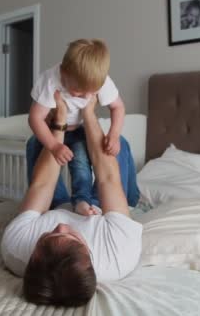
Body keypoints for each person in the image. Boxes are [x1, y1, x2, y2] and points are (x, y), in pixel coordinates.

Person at [1, 92, 142, 306]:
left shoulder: (15, 248)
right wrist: (88, 112)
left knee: (35, 144)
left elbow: (42, 184)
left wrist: (60, 122)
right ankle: (130, 192)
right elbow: (108, 178)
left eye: (48, 236)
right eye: (73, 237)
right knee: (115, 143)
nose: (61, 225)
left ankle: (69, 136)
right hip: (103, 212)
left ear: (33, 258)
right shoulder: (119, 253)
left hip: (55, 207)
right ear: (90, 256)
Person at [26, 38, 139, 216]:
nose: (86, 97)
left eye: (92, 92)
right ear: (64, 72)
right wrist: (54, 145)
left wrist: (114, 134)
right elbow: (35, 118)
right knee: (34, 145)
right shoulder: (49, 80)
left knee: (84, 157)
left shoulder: (99, 79)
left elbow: (118, 107)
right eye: (79, 92)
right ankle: (53, 202)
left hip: (82, 130)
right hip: (55, 129)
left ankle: (86, 201)